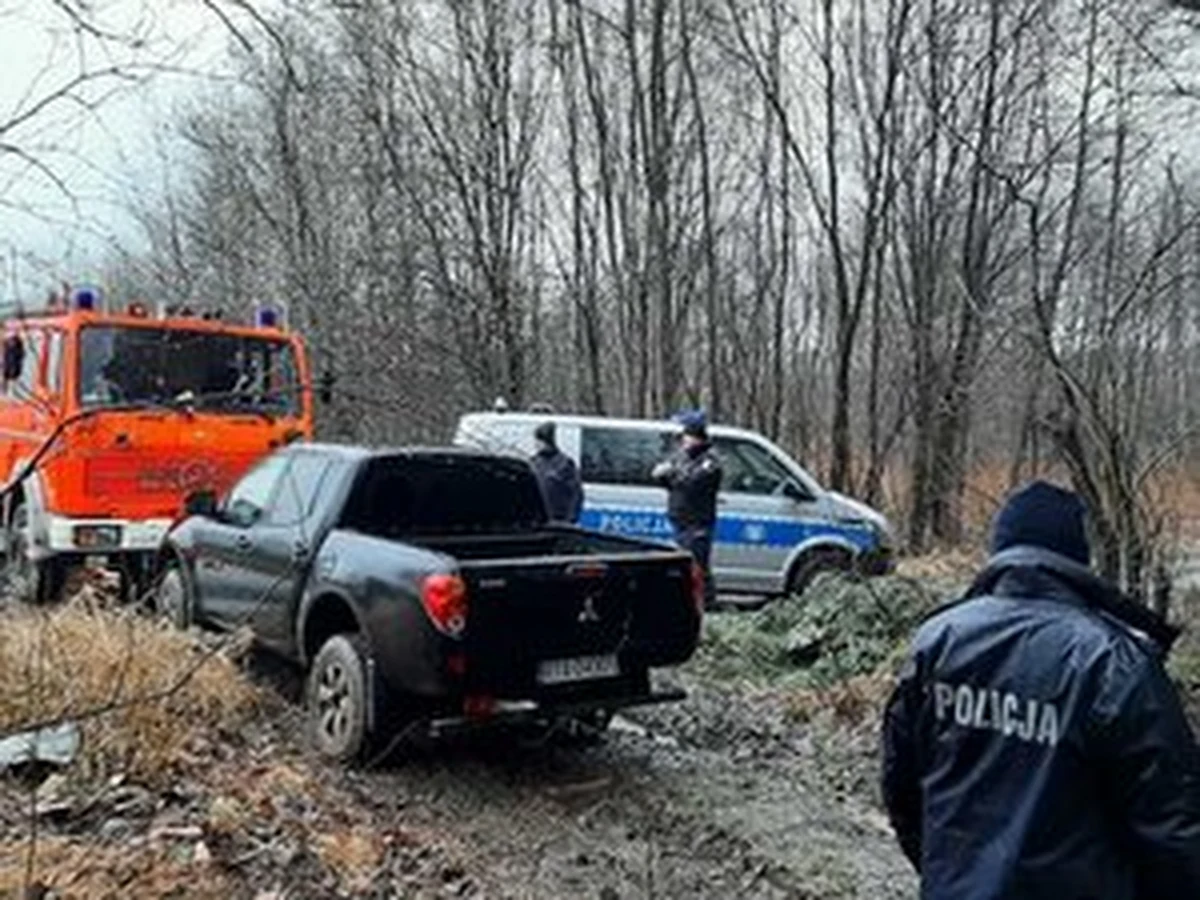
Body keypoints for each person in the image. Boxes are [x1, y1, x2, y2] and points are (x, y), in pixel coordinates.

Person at [881, 480, 1200, 899]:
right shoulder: (1115, 664)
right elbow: (1173, 827)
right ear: (1077, 559)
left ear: (999, 551)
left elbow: (901, 790)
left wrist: (947, 876)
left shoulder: (937, 642)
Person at [652, 410, 723, 607]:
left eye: (686, 436)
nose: (682, 440)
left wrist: (672, 473)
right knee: (685, 566)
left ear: (696, 437)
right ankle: (690, 602)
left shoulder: (710, 462)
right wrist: (664, 475)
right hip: (680, 521)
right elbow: (671, 482)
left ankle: (706, 603)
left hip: (697, 524)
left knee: (698, 566)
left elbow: (691, 484)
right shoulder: (683, 458)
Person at [529, 421, 583, 523]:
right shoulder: (534, 462)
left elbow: (576, 494)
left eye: (539, 441)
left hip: (558, 520)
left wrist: (570, 519)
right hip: (538, 521)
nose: (536, 444)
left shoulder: (565, 464)